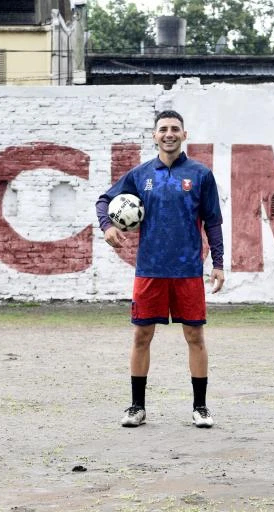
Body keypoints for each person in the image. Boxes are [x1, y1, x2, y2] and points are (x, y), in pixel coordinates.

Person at [96, 110, 225, 429]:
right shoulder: (140, 175)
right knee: (141, 335)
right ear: (154, 136)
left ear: (185, 135)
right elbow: (104, 201)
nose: (169, 133)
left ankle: (201, 407)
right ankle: (137, 407)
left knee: (195, 336)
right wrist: (106, 226)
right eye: (163, 129)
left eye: (175, 129)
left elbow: (213, 221)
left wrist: (218, 263)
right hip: (150, 269)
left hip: (188, 271)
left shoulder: (200, 175)